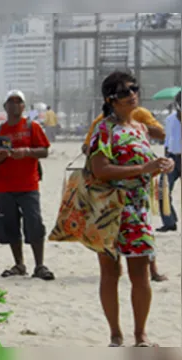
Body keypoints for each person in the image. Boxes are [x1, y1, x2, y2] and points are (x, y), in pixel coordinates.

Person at [88, 71, 174, 347]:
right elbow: (100, 170)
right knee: (111, 273)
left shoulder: (140, 128)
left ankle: (140, 335)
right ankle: (115, 334)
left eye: (134, 88)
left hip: (137, 211)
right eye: (125, 91)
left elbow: (147, 164)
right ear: (110, 99)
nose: (133, 94)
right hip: (109, 210)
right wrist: (143, 168)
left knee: (141, 275)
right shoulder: (104, 129)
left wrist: (161, 166)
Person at [0, 90, 55, 281]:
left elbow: (44, 151)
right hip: (4, 186)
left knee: (34, 223)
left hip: (29, 185)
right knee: (10, 226)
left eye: (18, 101)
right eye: (10, 101)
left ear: (23, 106)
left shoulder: (32, 127)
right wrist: (1, 155)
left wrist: (27, 151)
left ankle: (39, 264)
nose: (14, 105)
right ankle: (19, 264)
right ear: (5, 107)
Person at [82, 105, 165, 154]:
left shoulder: (141, 113)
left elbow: (162, 134)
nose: (131, 95)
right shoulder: (102, 120)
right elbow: (86, 147)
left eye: (134, 90)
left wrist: (136, 127)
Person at [157, 91, 181, 233]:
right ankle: (169, 222)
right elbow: (167, 141)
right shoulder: (170, 119)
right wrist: (166, 158)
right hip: (172, 158)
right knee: (162, 190)